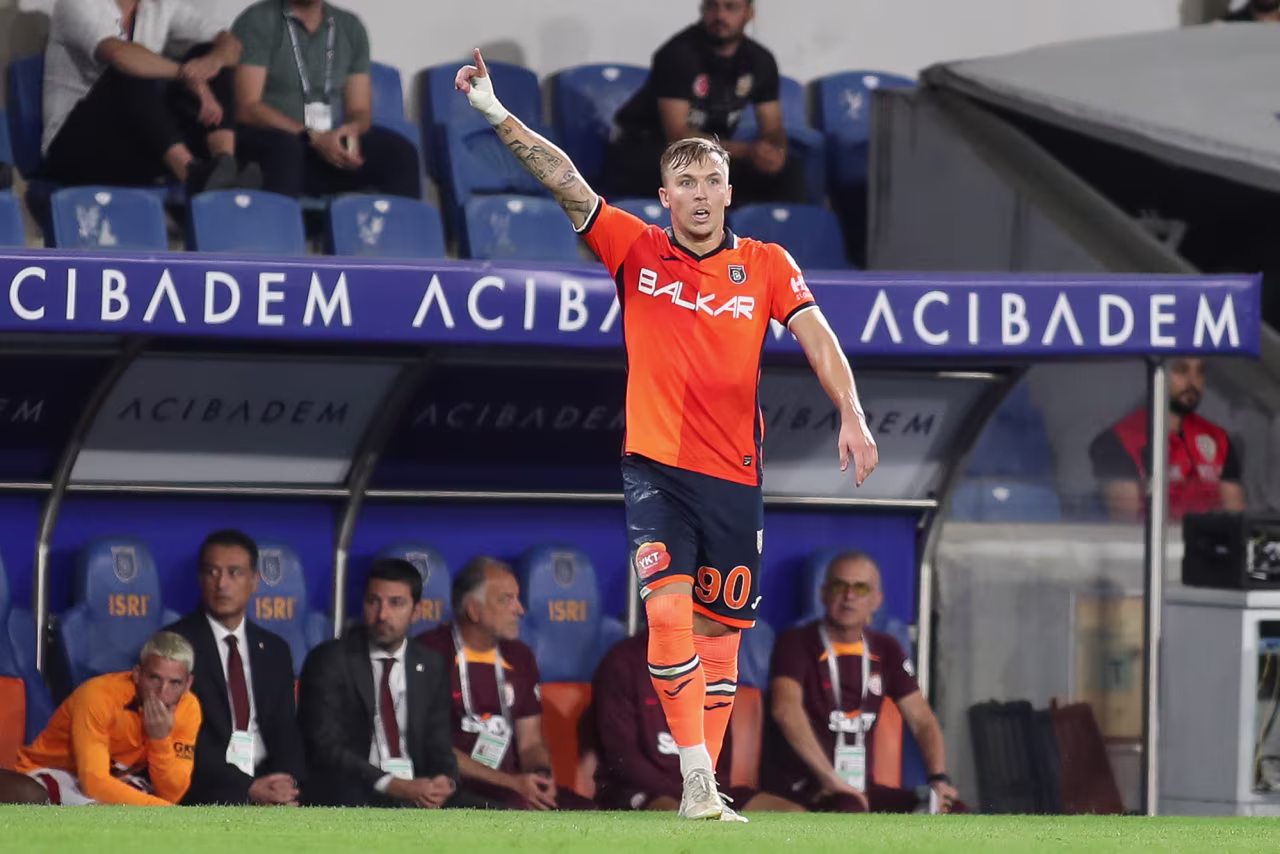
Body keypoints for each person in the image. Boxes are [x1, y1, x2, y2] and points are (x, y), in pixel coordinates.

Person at [454, 49, 878, 822]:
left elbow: (819, 337)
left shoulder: (767, 264)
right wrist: (493, 111)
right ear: (665, 197)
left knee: (721, 637)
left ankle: (703, 792)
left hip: (735, 475)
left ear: (729, 190)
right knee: (669, 614)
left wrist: (850, 411)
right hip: (655, 466)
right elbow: (563, 179)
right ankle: (695, 779)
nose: (700, 193)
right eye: (685, 182)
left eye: (712, 179)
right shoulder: (637, 250)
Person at [762, 552, 963, 814]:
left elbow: (922, 719)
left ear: (876, 600)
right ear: (823, 594)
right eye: (840, 586)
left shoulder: (886, 648)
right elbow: (785, 710)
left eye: (860, 588)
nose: (849, 596)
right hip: (806, 787)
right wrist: (831, 779)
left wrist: (938, 779)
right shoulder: (796, 642)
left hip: (860, 789)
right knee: (849, 805)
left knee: (951, 809)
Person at [417, 556, 594, 810]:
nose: (519, 610)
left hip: (512, 788)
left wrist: (541, 777)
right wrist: (512, 783)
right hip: (453, 789)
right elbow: (432, 749)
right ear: (473, 610)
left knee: (590, 813)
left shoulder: (520, 656)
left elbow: (530, 742)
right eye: (505, 600)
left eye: (517, 599)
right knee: (510, 808)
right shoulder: (428, 653)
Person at [40, 0, 260, 194]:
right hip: (74, 148)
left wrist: (213, 62)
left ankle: (224, 167)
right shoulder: (77, 3)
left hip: (133, 142)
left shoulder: (160, 6)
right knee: (131, 67)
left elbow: (230, 43)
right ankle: (192, 175)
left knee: (209, 54)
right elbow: (119, 54)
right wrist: (190, 77)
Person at [605, 0, 806, 204]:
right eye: (712, 6)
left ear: (749, 14)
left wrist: (775, 152)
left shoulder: (761, 61)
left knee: (789, 171)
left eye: (730, 7)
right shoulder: (678, 54)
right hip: (648, 149)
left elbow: (773, 128)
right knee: (699, 175)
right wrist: (747, 151)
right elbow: (677, 136)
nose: (720, 16)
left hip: (710, 154)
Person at [297, 558, 457, 808]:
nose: (382, 615)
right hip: (354, 791)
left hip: (414, 791)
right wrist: (390, 783)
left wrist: (445, 781)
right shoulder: (330, 660)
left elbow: (440, 744)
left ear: (415, 611)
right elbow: (325, 746)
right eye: (373, 602)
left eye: (396, 603)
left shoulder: (431, 664)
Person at [164, 529, 306, 806]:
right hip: (209, 784)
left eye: (234, 573)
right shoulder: (175, 646)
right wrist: (248, 787)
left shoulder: (275, 649)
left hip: (268, 778)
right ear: (200, 579)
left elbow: (285, 730)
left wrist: (287, 783)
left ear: (254, 581)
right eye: (212, 572)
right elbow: (182, 741)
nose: (222, 584)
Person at [590, 629, 802, 813]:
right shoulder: (623, 661)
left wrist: (705, 792)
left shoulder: (711, 664)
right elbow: (624, 760)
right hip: (640, 789)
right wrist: (689, 792)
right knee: (677, 814)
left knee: (791, 812)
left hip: (703, 788)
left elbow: (719, 757)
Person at [230, 0, 421, 200]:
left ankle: (400, 221)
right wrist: (312, 136)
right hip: (275, 141)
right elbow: (247, 106)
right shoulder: (258, 20)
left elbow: (360, 109)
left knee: (400, 152)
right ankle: (281, 220)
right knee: (286, 148)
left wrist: (350, 131)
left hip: (326, 143)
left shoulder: (350, 27)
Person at [0, 631, 200, 806]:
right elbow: (93, 784)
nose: (162, 692)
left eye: (175, 683)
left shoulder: (189, 708)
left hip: (115, 779)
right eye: (154, 678)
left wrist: (160, 740)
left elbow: (172, 794)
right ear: (138, 674)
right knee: (96, 808)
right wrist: (164, 812)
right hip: (54, 772)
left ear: (188, 684)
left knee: (139, 799)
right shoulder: (98, 696)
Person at [1089, 357, 1246, 522]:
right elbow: (1127, 526)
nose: (1193, 382)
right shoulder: (1117, 440)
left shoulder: (1218, 438)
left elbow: (1235, 516)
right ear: (1156, 374)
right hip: (1155, 538)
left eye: (1199, 372)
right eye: (1181, 370)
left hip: (1209, 537)